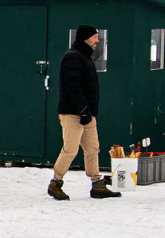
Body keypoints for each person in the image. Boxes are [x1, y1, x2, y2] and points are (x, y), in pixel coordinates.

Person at [47, 24, 120, 200]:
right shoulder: (72, 57)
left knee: (93, 148)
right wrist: (83, 109)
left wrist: (89, 112)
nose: (98, 40)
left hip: (87, 114)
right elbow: (73, 87)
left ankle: (97, 184)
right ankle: (55, 183)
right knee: (70, 149)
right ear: (85, 38)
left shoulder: (85, 57)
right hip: (72, 113)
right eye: (95, 36)